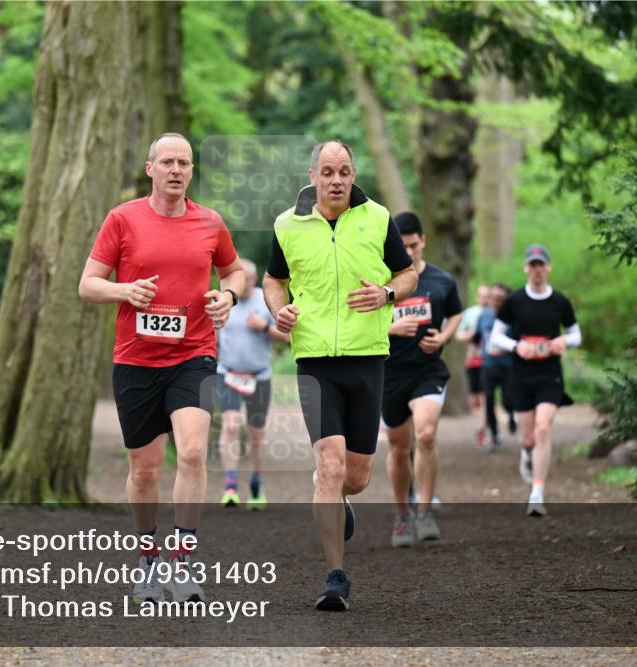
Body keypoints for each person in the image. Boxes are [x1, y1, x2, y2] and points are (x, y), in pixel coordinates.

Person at [79, 132, 245, 605]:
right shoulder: (123, 219)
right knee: (144, 469)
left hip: (193, 355)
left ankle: (183, 561)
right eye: (168, 161)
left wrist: (227, 296)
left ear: (192, 171)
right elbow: (88, 284)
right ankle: (149, 560)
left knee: (192, 452)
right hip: (135, 359)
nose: (176, 170)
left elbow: (235, 271)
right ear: (150, 168)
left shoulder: (210, 223)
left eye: (185, 163)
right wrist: (124, 291)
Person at [263, 140, 417, 611]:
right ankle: (335, 576)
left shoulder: (378, 218)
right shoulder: (288, 225)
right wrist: (280, 311)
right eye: (328, 171)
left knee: (357, 476)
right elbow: (274, 280)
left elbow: (407, 273)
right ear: (313, 175)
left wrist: (388, 294)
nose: (336, 179)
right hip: (314, 361)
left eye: (344, 171)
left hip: (367, 355)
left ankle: (339, 495)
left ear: (354, 175)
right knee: (329, 467)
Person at [383, 212, 463, 547]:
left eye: (413, 245)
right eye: (402, 247)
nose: (409, 252)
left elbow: (457, 312)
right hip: (391, 374)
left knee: (426, 434)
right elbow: (355, 321)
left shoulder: (442, 280)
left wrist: (444, 337)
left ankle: (424, 511)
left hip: (428, 370)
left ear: (423, 241)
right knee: (399, 448)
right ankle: (402, 516)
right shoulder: (383, 282)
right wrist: (391, 328)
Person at [490, 244, 581, 517]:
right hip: (522, 375)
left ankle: (537, 493)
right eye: (532, 265)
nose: (537, 269)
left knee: (543, 429)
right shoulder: (514, 301)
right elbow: (496, 336)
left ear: (549, 267)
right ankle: (527, 454)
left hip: (549, 375)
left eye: (541, 264)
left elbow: (577, 334)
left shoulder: (560, 302)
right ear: (526, 268)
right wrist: (517, 346)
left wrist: (563, 341)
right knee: (528, 437)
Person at [215, 258, 290, 511]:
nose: (239, 285)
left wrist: (266, 327)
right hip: (228, 373)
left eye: (244, 279)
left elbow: (290, 338)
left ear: (254, 280)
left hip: (259, 376)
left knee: (257, 432)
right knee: (231, 424)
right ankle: (230, 484)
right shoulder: (224, 301)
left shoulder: (265, 301)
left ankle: (256, 482)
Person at [474, 282, 517, 451]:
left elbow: (518, 342)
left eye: (501, 299)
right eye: (493, 298)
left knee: (508, 400)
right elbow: (478, 337)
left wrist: (506, 349)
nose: (496, 301)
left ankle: (512, 415)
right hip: (488, 366)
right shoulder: (483, 316)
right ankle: (495, 436)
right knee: (489, 401)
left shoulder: (513, 317)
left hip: (508, 367)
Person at [456, 285, 490, 445]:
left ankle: (483, 428)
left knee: (485, 396)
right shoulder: (470, 314)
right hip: (473, 359)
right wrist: (471, 335)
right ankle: (484, 422)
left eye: (487, 295)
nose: (485, 299)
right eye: (482, 296)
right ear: (477, 297)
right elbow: (458, 334)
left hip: (489, 360)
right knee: (475, 398)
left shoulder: (496, 313)